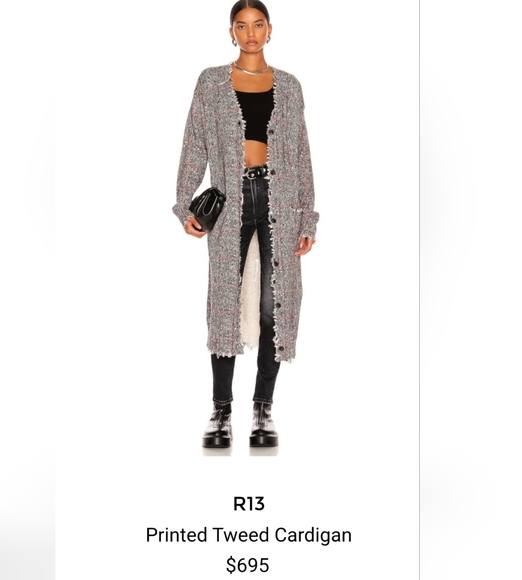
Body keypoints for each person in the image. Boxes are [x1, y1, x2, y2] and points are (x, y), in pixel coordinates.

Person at [173, 0, 319, 448]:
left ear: (270, 30)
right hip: (231, 201)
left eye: (258, 25)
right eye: (242, 25)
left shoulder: (289, 86)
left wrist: (308, 215)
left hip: (281, 202)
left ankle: (262, 409)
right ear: (231, 32)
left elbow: (300, 152)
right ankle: (221, 411)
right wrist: (184, 204)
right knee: (225, 304)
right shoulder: (211, 81)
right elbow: (195, 143)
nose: (250, 33)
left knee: (275, 306)